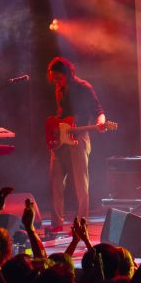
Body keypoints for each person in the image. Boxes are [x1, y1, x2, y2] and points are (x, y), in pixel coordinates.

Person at [47, 57, 106, 232]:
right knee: (55, 180)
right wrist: (55, 130)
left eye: (58, 77)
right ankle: (57, 224)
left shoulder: (84, 87)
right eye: (54, 78)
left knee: (81, 182)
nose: (56, 82)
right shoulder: (59, 90)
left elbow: (99, 110)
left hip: (79, 137)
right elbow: (61, 113)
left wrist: (101, 122)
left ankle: (81, 224)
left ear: (67, 74)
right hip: (61, 140)